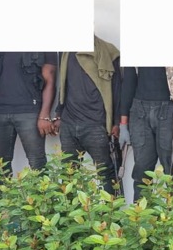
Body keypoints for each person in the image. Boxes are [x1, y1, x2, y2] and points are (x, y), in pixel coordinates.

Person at [119, 67, 173, 201]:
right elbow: (129, 82)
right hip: (139, 111)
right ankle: (141, 213)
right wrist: (123, 123)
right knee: (141, 171)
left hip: (170, 110)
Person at [52, 35, 121, 194]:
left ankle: (109, 210)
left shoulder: (108, 51)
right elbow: (63, 84)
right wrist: (59, 113)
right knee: (69, 174)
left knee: (105, 174)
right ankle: (70, 210)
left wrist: (116, 122)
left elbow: (117, 90)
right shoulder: (66, 51)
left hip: (96, 125)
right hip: (69, 123)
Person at [0, 42, 57, 187]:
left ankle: (41, 201)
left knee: (37, 163)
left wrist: (44, 114)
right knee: (0, 164)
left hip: (30, 112)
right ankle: (5, 200)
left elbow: (50, 80)